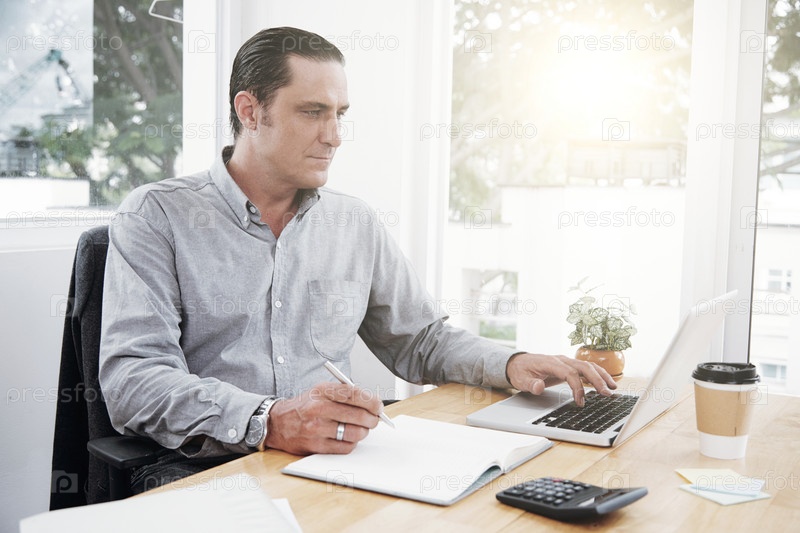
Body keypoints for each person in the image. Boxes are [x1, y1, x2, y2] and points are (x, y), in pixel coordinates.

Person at [99, 26, 616, 493]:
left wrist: (511, 362)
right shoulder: (156, 215)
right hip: (210, 470)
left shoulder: (354, 222)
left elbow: (419, 341)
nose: (334, 135)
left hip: (337, 465)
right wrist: (270, 419)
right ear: (250, 111)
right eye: (312, 112)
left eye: (339, 114)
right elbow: (133, 380)